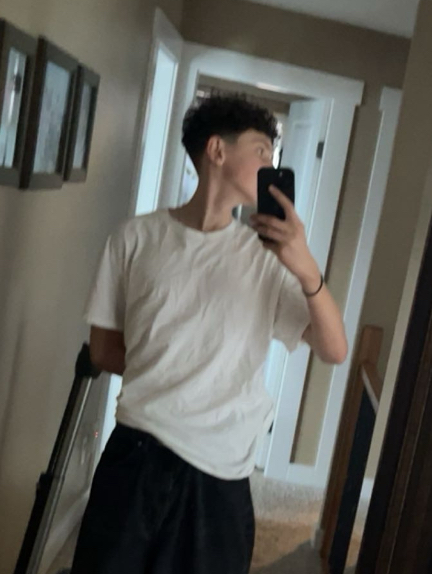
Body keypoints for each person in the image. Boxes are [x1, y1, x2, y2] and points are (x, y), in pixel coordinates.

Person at [70, 95, 348, 574]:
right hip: (136, 456)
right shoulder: (134, 238)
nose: (270, 165)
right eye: (261, 151)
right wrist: (183, 368)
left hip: (219, 472)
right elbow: (102, 349)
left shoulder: (268, 257)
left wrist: (306, 270)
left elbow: (334, 349)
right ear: (217, 151)